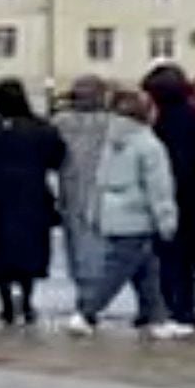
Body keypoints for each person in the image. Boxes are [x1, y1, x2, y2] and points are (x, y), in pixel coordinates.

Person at [70, 85, 187, 337]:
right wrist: (166, 220)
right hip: (137, 215)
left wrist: (93, 212)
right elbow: (159, 187)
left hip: (110, 213)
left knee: (147, 270)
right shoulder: (149, 144)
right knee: (117, 271)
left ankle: (157, 318)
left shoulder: (112, 140)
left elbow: (99, 178)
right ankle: (87, 313)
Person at [0, 79, 66, 325]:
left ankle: (6, 304)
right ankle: (27, 299)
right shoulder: (42, 128)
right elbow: (57, 158)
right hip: (31, 198)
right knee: (28, 252)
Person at [141, 64, 195, 330]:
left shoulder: (156, 124)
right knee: (187, 255)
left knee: (167, 254)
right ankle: (184, 307)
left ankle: (169, 308)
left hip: (167, 194)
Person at [51, 76, 117, 306]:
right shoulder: (112, 122)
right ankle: (91, 293)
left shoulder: (61, 122)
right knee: (93, 243)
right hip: (95, 191)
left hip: (79, 190)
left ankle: (88, 293)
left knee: (81, 243)